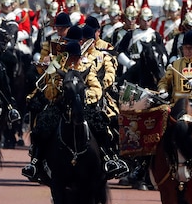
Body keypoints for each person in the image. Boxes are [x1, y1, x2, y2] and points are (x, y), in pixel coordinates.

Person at [22, 40, 128, 182]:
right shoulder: (58, 67)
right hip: (61, 106)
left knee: (100, 126)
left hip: (82, 106)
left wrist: (83, 97)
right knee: (42, 127)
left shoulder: (86, 68)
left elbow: (96, 89)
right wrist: (57, 89)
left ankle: (109, 158)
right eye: (72, 56)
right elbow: (47, 90)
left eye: (76, 57)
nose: (74, 60)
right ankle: (35, 162)